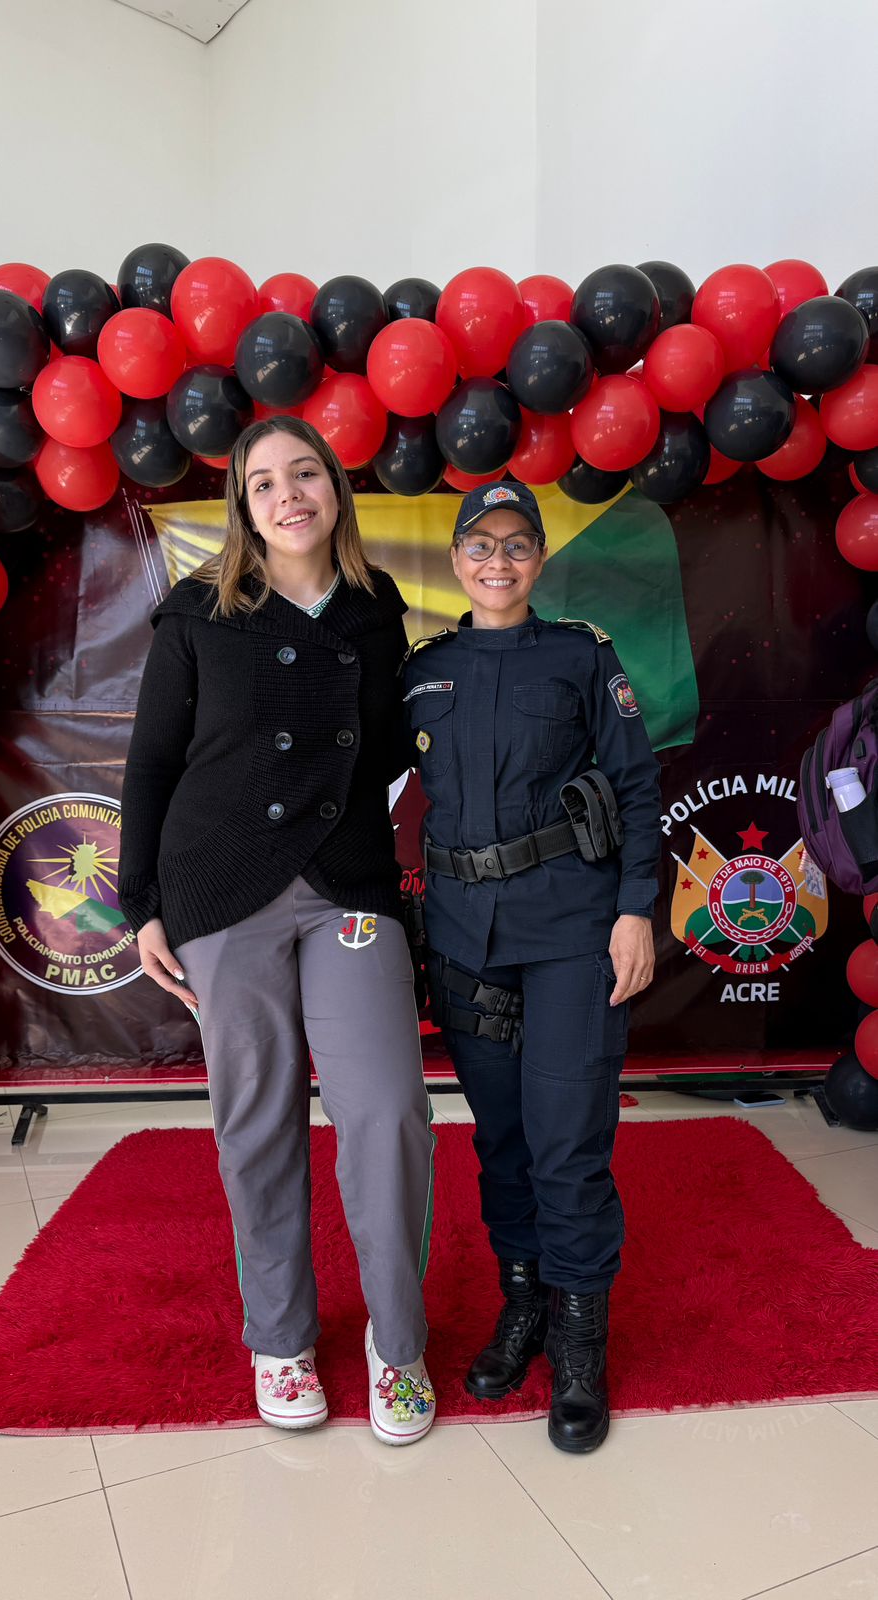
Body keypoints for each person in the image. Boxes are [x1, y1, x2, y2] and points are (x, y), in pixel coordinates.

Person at [118, 417, 436, 1446]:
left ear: (335, 489)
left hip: (348, 887)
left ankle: (398, 1343)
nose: (288, 494)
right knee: (256, 1120)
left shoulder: (377, 609)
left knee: (387, 1110)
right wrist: (140, 904)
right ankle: (282, 1338)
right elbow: (151, 764)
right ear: (244, 509)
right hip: (221, 888)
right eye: (264, 482)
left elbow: (394, 749)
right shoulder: (198, 611)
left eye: (306, 473)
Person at [403, 480, 661, 1454]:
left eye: (517, 544)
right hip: (465, 935)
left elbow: (637, 785)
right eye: (481, 544)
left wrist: (635, 909)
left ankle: (581, 1340)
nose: (498, 560)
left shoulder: (582, 656)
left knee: (566, 1141)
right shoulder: (424, 670)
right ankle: (525, 1304)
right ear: (457, 559)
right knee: (503, 1141)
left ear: (539, 559)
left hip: (570, 931)